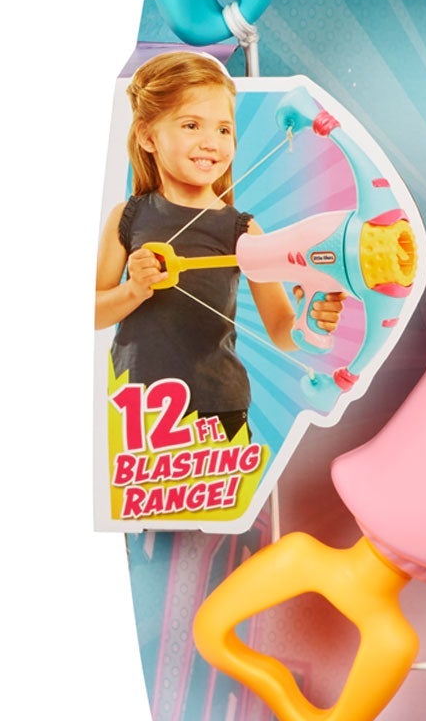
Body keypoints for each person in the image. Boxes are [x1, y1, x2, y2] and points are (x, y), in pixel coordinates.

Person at [95, 52, 343, 442]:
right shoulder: (127, 216)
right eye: (191, 125)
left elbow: (280, 330)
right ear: (147, 136)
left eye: (224, 129)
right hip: (137, 406)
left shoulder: (243, 229)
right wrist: (133, 291)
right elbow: (92, 313)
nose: (211, 143)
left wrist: (307, 318)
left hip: (221, 409)